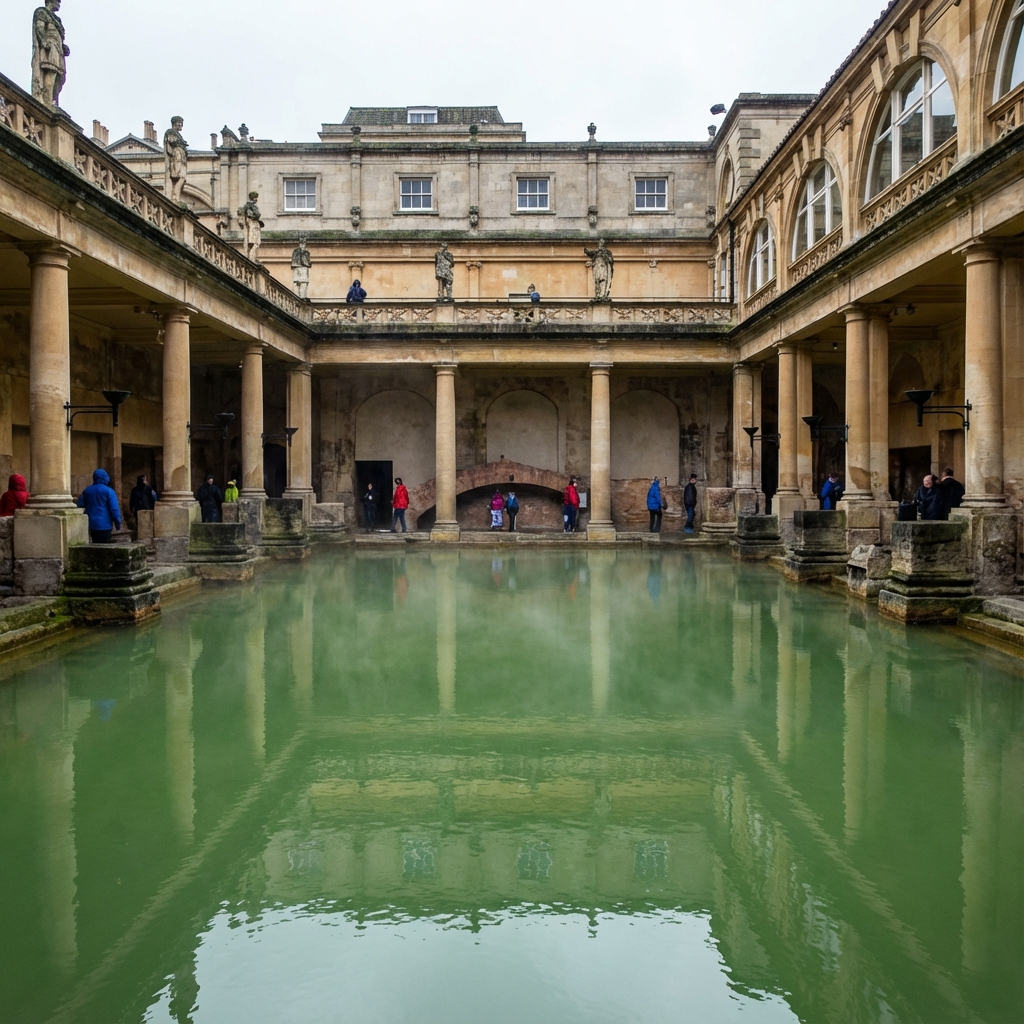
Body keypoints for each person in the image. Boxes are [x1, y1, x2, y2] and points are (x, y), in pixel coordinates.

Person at [77, 468, 121, 543]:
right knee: (104, 546)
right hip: (105, 524)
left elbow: (80, 505)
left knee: (94, 544)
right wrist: (117, 523)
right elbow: (114, 509)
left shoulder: (87, 490)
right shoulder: (109, 491)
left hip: (91, 524)